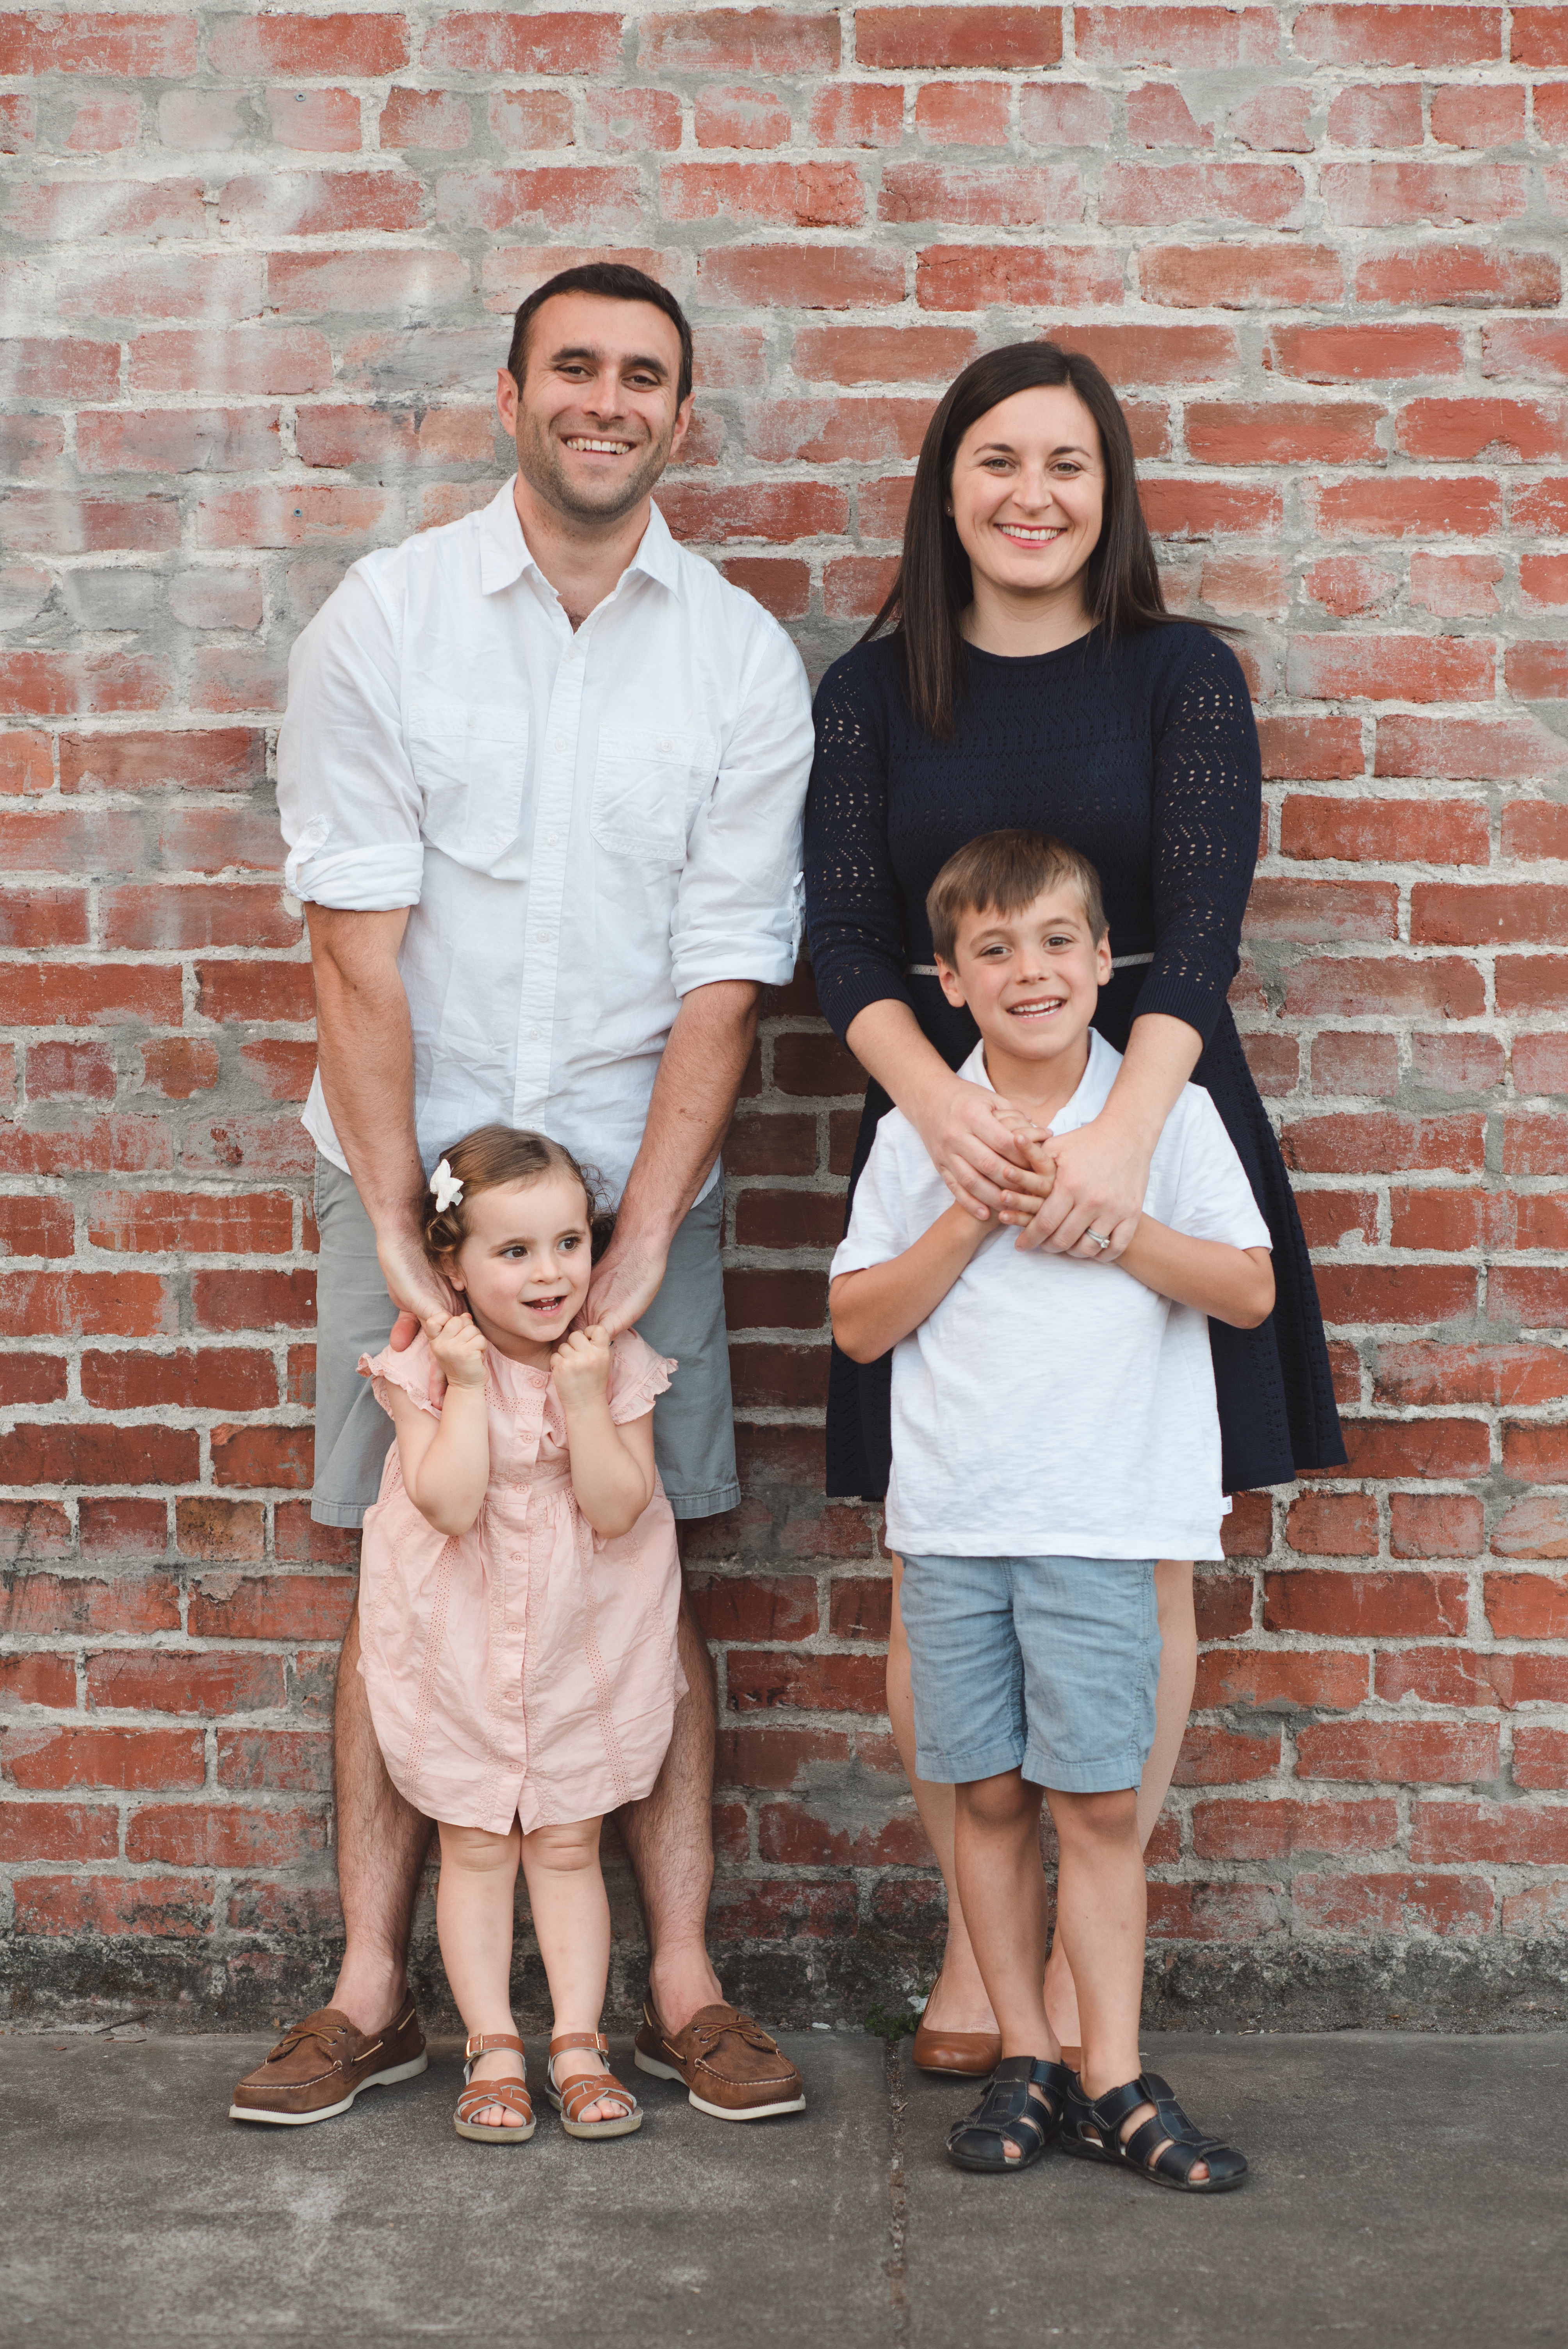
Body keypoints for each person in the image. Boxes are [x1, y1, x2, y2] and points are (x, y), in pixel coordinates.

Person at [232, 261, 813, 2129]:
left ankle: (679, 1987)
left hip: (632, 1198)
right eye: (573, 365)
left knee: (643, 1569)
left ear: (679, 419)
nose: (605, 399)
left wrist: (643, 1237)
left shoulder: (730, 654)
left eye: (642, 376)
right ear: (510, 392)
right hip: (413, 1188)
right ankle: (373, 1989)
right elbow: (355, 948)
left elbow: (727, 974)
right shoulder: (387, 622)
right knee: (403, 1565)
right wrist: (406, 1232)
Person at [804, 341, 1345, 2074]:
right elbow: (832, 936)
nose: (1030, 495)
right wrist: (937, 1115)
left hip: (1161, 1106)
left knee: (1137, 1548)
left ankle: (1087, 1962)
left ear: (1106, 496)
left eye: (1067, 466)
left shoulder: (1179, 675)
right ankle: (987, 1969)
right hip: (943, 1120)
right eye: (995, 461)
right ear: (944, 485)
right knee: (938, 1548)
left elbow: (1197, 922)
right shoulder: (875, 691)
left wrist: (1124, 1133)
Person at [830, 829, 1266, 2187]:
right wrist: (968, 1214)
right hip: (960, 1522)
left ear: (1103, 962)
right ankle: (1025, 2055)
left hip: (1099, 1515)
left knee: (1093, 1806)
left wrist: (1115, 1216)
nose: (1033, 971)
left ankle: (1115, 2072)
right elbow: (855, 1325)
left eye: (1060, 943)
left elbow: (1249, 1291)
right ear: (950, 981)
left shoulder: (1163, 1114)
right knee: (991, 1801)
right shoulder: (924, 1132)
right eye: (997, 950)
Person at [360, 1127, 682, 2145]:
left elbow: (620, 1505)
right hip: (460, 1633)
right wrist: (462, 1386)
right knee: (474, 1841)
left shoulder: (611, 1358)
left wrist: (585, 1400)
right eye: (514, 1252)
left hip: (575, 1637)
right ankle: (493, 2043)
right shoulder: (423, 1368)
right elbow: (450, 1503)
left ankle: (578, 2041)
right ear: (450, 1266)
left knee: (569, 1837)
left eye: (570, 1243)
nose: (551, 1273)